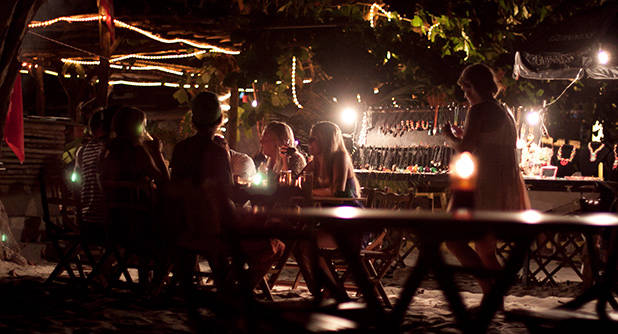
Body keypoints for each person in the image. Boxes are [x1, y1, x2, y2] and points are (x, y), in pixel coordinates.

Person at [443, 63, 530, 300]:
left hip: (484, 183)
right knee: (485, 247)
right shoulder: (504, 111)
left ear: (478, 86)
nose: (465, 93)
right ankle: (494, 298)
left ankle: (491, 291)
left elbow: (465, 149)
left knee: (454, 241)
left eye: (467, 87)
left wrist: (450, 137)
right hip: (505, 182)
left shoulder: (479, 110)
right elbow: (491, 143)